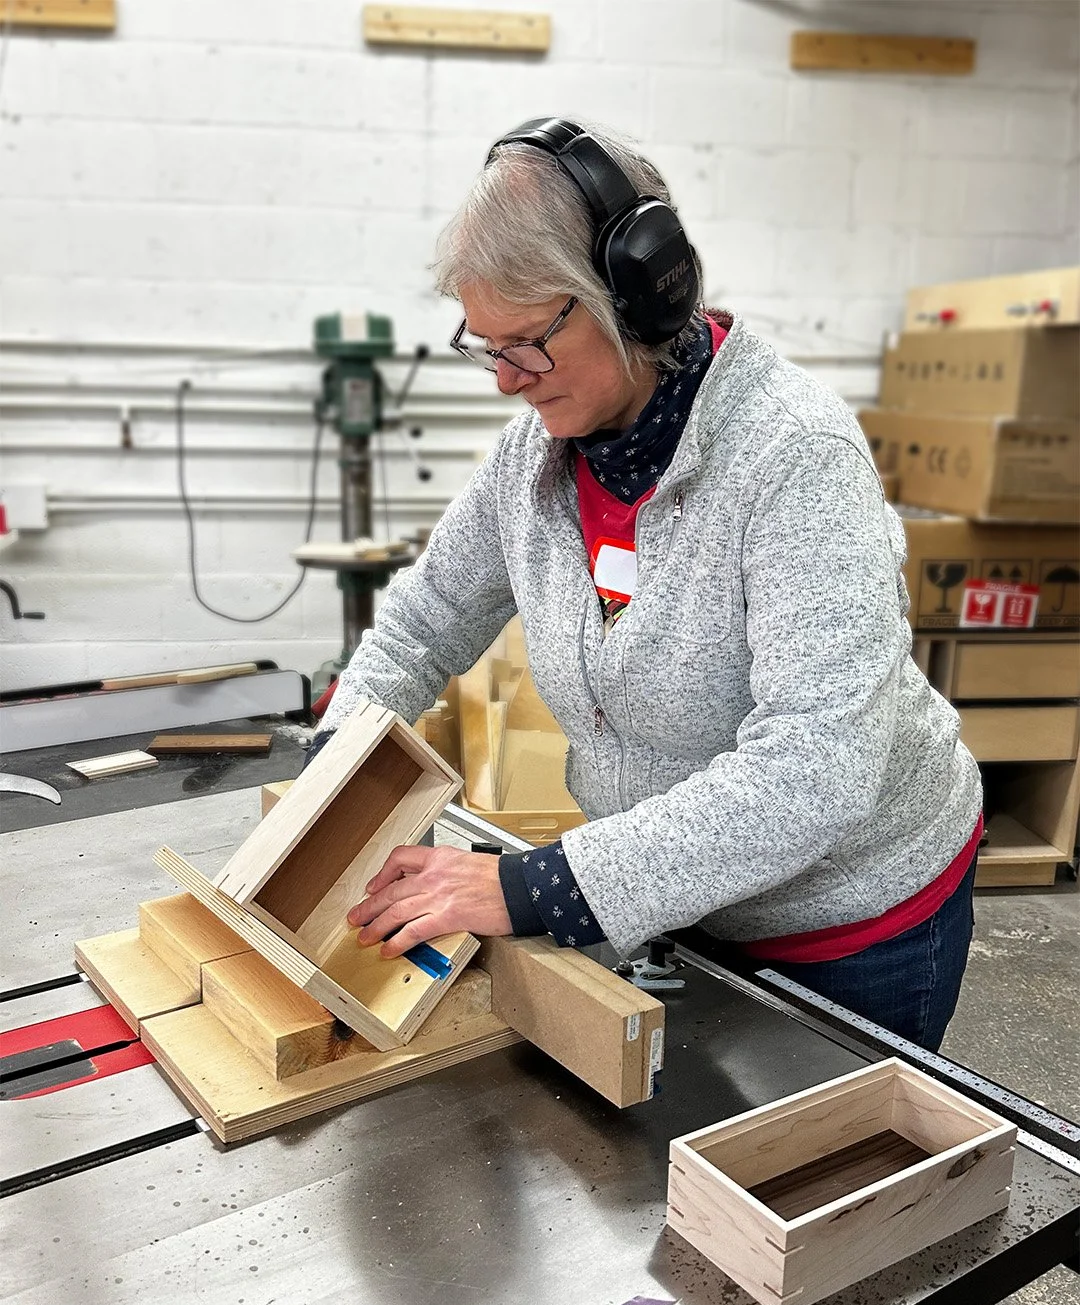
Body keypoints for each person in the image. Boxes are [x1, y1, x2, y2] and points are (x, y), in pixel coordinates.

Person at [307, 116, 983, 1053]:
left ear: (632, 299)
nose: (504, 382)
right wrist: (332, 773)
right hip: (676, 899)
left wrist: (533, 888)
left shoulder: (794, 455)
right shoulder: (533, 461)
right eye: (485, 345)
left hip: (848, 923)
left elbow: (817, 766)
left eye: (526, 343)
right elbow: (421, 627)